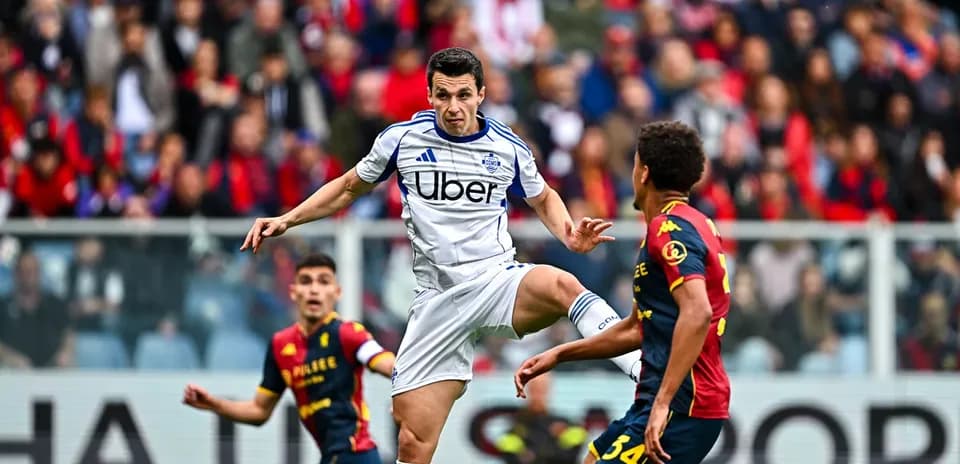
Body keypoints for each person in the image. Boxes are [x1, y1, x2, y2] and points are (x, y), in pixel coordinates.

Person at [239, 47, 643, 463]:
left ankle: (640, 368)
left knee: (562, 285)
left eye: (463, 95)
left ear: (481, 94)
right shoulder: (402, 141)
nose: (453, 107)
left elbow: (543, 197)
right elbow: (346, 188)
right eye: (443, 95)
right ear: (429, 95)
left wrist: (568, 235)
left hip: (495, 280)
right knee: (413, 440)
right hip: (437, 300)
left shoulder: (508, 148)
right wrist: (287, 219)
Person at [514, 121, 731, 464]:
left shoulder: (668, 228)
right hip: (662, 400)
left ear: (643, 173)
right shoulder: (697, 223)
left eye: (633, 164)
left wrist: (662, 404)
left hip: (681, 404)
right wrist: (559, 354)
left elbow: (698, 311)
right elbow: (637, 328)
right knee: (593, 458)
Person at [182, 254, 395, 464]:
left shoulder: (348, 333)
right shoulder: (280, 345)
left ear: (336, 292)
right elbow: (259, 411)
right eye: (306, 281)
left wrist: (406, 392)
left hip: (357, 454)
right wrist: (213, 403)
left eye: (323, 281)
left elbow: (387, 364)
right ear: (293, 292)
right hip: (331, 457)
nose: (314, 289)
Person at [495, 372, 588, 464]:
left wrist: (531, 453)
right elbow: (513, 458)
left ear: (549, 390)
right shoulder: (515, 429)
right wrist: (554, 442)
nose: (538, 395)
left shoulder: (566, 425)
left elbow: (569, 456)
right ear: (527, 390)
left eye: (542, 389)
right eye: (534, 389)